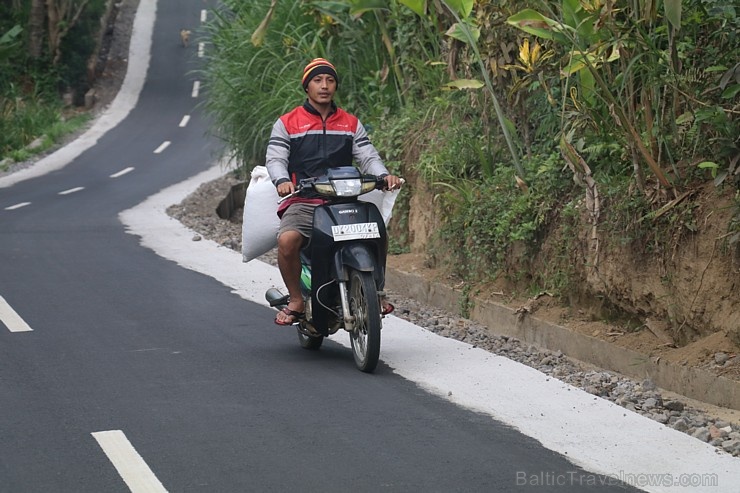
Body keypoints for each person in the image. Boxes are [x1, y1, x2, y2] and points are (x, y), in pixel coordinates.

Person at [266, 58, 403, 325]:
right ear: (307, 87)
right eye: (318, 80)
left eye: (329, 80)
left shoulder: (350, 123)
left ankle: (376, 290)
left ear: (335, 86)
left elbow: (367, 156)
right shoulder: (287, 123)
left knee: (377, 231)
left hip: (344, 199)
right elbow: (275, 159)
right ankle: (296, 299)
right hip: (305, 200)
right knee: (287, 241)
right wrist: (282, 180)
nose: (324, 86)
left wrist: (383, 175)